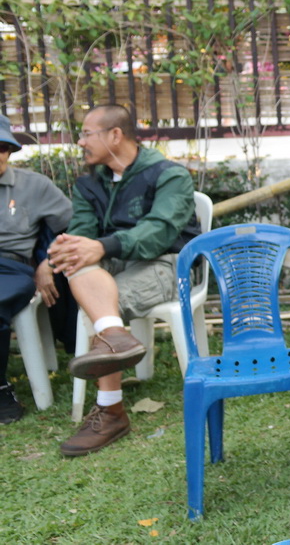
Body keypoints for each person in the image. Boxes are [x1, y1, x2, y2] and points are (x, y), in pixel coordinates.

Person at [48, 104, 200, 456]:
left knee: (101, 307)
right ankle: (115, 337)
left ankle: (111, 409)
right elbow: (82, 234)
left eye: (87, 134)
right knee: (79, 270)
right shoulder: (89, 184)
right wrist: (67, 249)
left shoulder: (169, 175)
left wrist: (101, 246)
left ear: (115, 135)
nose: (81, 142)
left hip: (167, 263)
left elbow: (159, 232)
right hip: (114, 264)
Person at [0, 114, 76, 424]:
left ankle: (1, 389)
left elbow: (75, 226)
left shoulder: (33, 185)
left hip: (11, 267)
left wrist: (48, 260)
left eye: (3, 147)